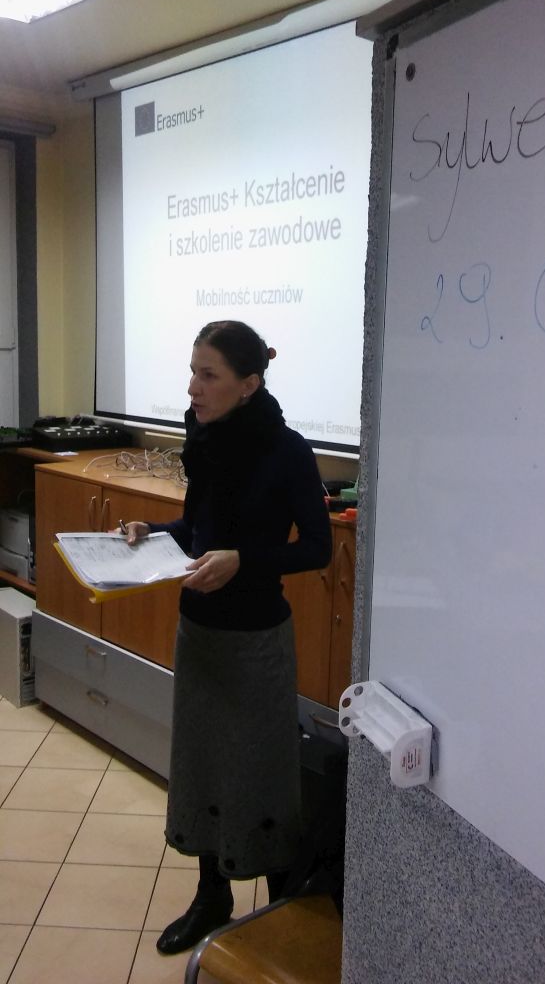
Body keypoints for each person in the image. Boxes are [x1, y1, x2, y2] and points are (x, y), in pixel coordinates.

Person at [124, 320, 332, 955]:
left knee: (260, 775)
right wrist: (151, 530)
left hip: (256, 643)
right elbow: (197, 527)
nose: (193, 387)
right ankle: (211, 896)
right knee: (204, 768)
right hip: (199, 634)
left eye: (208, 375)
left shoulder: (287, 451)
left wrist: (244, 560)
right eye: (192, 372)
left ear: (249, 384)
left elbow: (317, 549)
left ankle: (280, 915)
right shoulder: (204, 436)